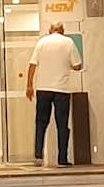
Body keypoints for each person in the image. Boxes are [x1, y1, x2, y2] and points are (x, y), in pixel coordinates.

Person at [26, 22, 82, 167]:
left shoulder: (42, 42)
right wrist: (68, 65)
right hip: (62, 90)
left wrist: (29, 85)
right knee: (62, 125)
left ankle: (38, 156)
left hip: (43, 88)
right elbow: (77, 65)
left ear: (49, 30)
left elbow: (32, 64)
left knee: (41, 123)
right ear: (63, 30)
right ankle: (62, 158)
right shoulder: (69, 42)